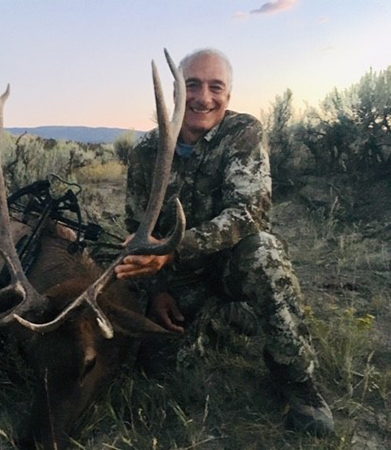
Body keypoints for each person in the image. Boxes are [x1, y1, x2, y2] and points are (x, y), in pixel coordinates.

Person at [114, 48, 334, 436]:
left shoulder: (243, 133)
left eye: (216, 87)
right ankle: (217, 318)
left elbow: (251, 213)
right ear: (177, 90)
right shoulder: (146, 152)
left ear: (228, 96)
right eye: (192, 85)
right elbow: (137, 231)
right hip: (180, 279)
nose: (203, 97)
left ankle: (297, 380)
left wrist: (173, 249)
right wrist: (156, 289)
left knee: (263, 251)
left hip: (231, 267)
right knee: (157, 368)